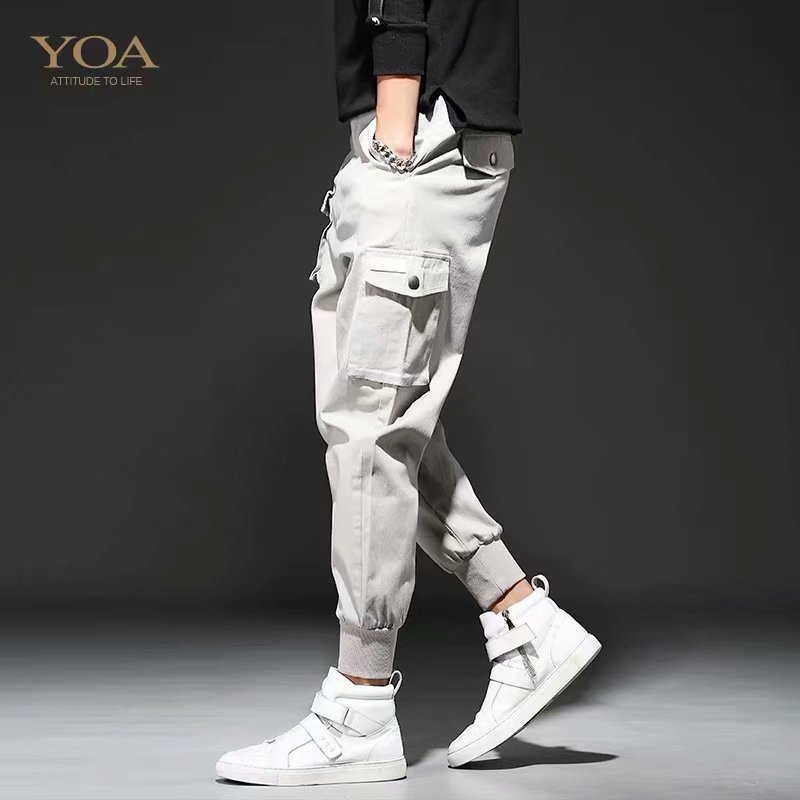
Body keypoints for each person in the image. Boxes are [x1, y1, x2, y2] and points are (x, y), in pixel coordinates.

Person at [216, 0, 600, 785]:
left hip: (418, 137)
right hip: (412, 137)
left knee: (370, 434)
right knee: (380, 422)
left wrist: (393, 123)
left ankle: (359, 706)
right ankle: (522, 617)